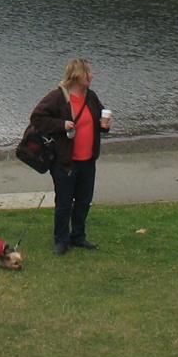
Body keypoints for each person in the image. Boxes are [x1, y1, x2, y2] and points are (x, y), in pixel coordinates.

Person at [29, 57, 111, 255]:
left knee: (84, 201)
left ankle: (78, 237)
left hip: (88, 160)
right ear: (76, 75)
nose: (91, 76)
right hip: (64, 161)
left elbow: (100, 118)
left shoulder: (91, 97)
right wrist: (61, 125)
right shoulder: (58, 97)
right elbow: (37, 118)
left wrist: (105, 125)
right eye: (87, 73)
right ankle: (61, 240)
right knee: (64, 203)